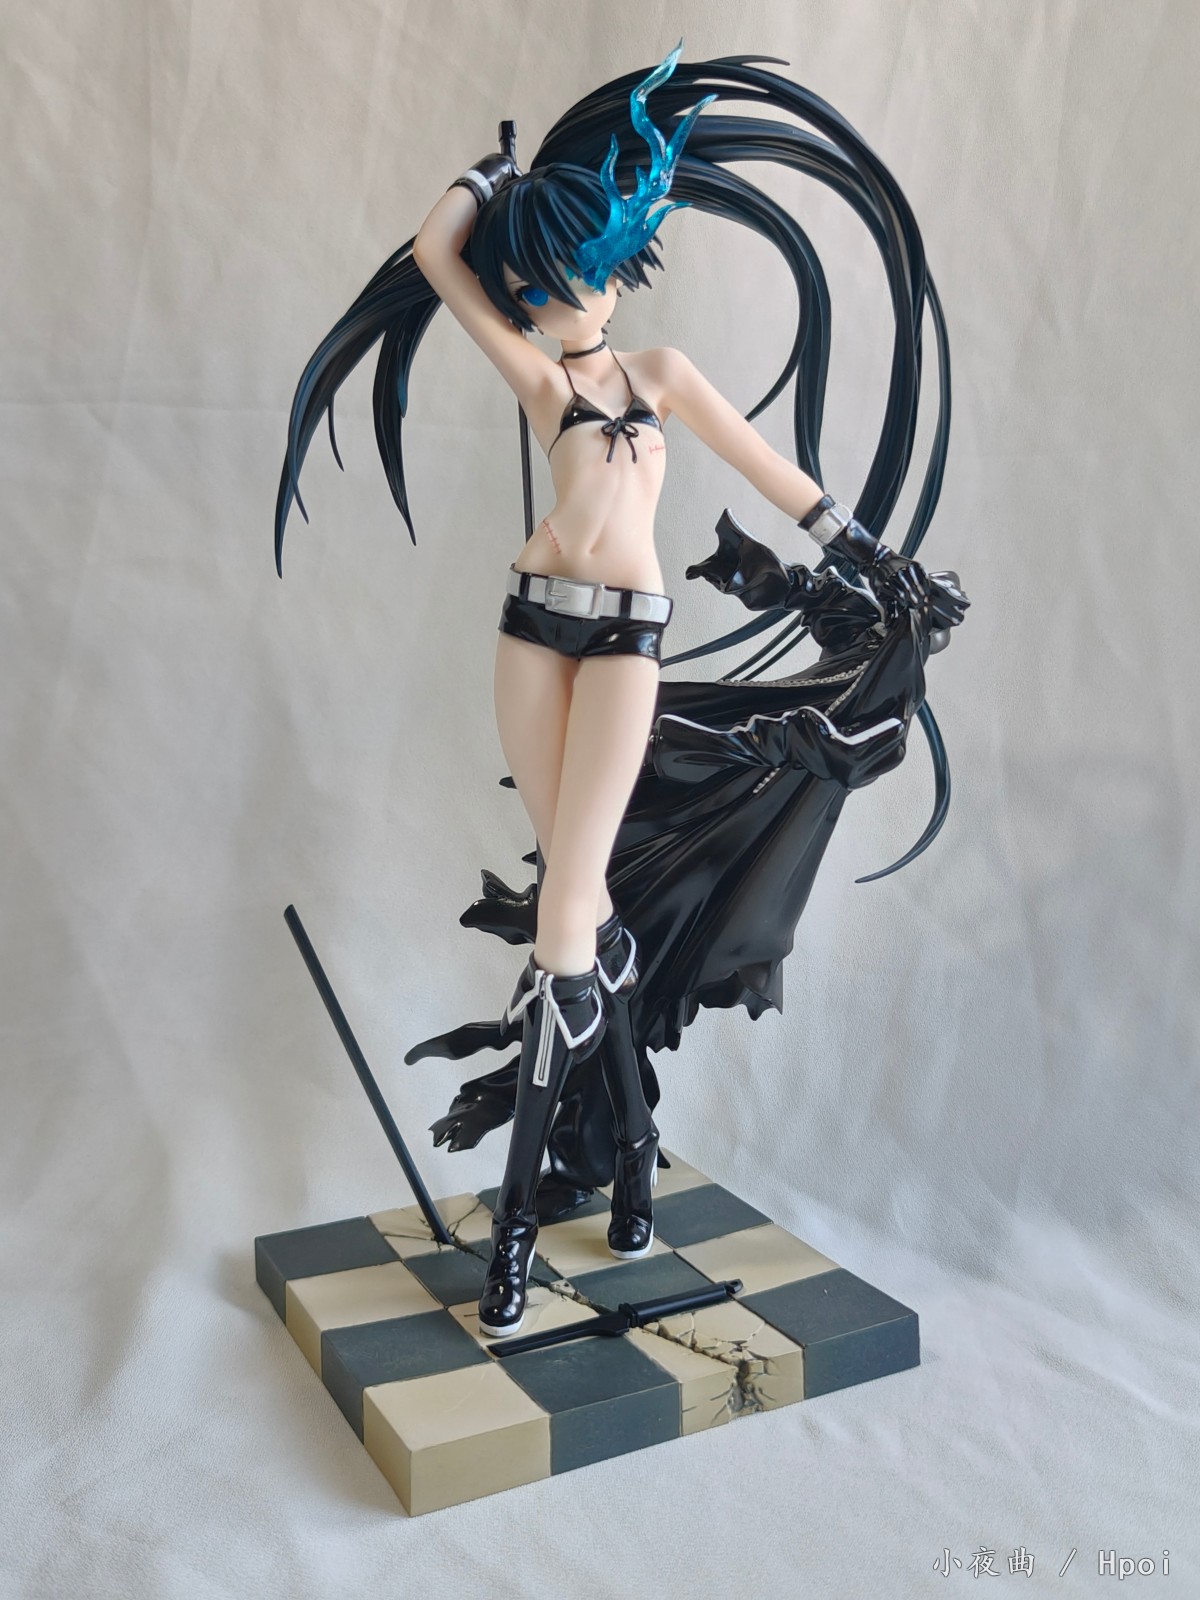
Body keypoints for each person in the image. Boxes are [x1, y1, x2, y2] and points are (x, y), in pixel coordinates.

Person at [276, 45, 968, 1338]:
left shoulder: (662, 376)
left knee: (569, 910)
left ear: (621, 260)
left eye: (578, 272)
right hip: (531, 630)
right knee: (575, 907)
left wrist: (872, 557)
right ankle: (634, 1151)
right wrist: (493, 179)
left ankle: (519, 1226)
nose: (561, 300)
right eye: (538, 285)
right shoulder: (539, 378)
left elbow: (775, 472)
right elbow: (434, 256)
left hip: (626, 646)